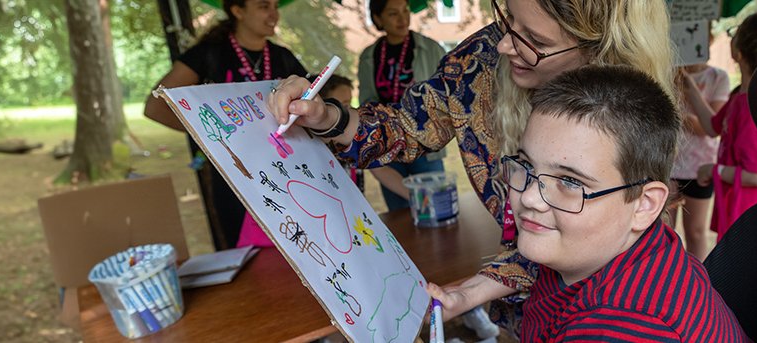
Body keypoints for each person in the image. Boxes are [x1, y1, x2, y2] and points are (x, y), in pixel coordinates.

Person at [267, 0, 675, 332]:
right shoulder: (480, 61)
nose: (504, 45)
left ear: (596, 47)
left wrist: (477, 290)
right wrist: (328, 118)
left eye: (533, 38)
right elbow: (410, 124)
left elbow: (585, 245)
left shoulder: (627, 314)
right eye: (507, 18)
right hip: (531, 315)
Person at [512, 65, 748, 342]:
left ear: (644, 205)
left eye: (571, 182)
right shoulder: (631, 248)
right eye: (526, 165)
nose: (528, 197)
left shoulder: (621, 328)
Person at [143, 0, 308, 251]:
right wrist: (209, 136)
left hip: (286, 170)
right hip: (234, 175)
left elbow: (312, 102)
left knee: (298, 246)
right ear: (238, 10)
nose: (274, 14)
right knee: (249, 254)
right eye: (264, 6)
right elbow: (155, 107)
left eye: (276, 6)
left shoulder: (283, 58)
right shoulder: (208, 54)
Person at [683, 11, 757, 241]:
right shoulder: (739, 97)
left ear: (740, 52)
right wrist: (689, 87)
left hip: (749, 214)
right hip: (736, 208)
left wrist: (714, 170)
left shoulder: (754, 107)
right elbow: (714, 125)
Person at [358, 0, 450, 212]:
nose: (402, 18)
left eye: (405, 11)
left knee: (437, 206)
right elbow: (366, 102)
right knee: (400, 212)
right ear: (378, 19)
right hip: (388, 145)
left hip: (425, 144)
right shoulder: (370, 56)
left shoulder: (430, 48)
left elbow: (445, 95)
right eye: (393, 13)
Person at [669, 57, 729, 260]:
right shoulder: (666, 71)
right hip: (667, 165)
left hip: (699, 167)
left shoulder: (717, 77)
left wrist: (689, 89)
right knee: (664, 233)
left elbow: (709, 128)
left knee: (695, 231)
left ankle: (699, 284)